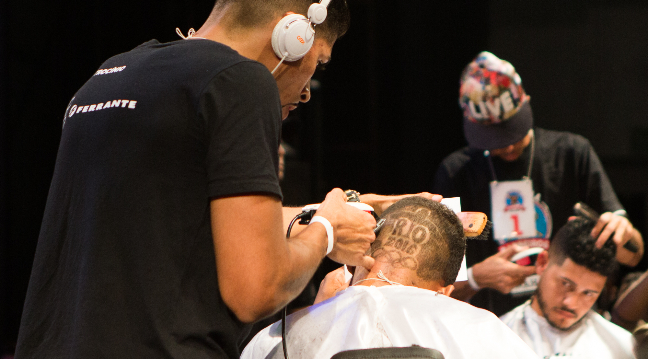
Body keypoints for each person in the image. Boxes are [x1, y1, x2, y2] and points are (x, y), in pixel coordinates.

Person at [15, 0, 426, 359]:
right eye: (317, 62)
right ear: (295, 35)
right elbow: (256, 289)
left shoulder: (110, 74)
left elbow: (181, 219)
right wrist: (326, 232)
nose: (305, 93)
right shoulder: (241, 83)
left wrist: (316, 214)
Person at [432, 51, 644, 315]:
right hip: (491, 325)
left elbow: (632, 255)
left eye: (511, 128)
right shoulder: (456, 172)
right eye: (493, 137)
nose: (507, 143)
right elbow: (436, 291)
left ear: (526, 102)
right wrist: (476, 277)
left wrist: (623, 232)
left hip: (569, 322)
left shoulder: (572, 153)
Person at [241, 197, 540, 359]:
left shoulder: (273, 342)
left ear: (361, 254)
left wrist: (316, 315)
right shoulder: (486, 332)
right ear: (446, 291)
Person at [500, 217, 634, 358]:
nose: (571, 303)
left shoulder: (621, 349)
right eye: (566, 284)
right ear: (542, 263)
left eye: (588, 293)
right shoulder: (495, 338)